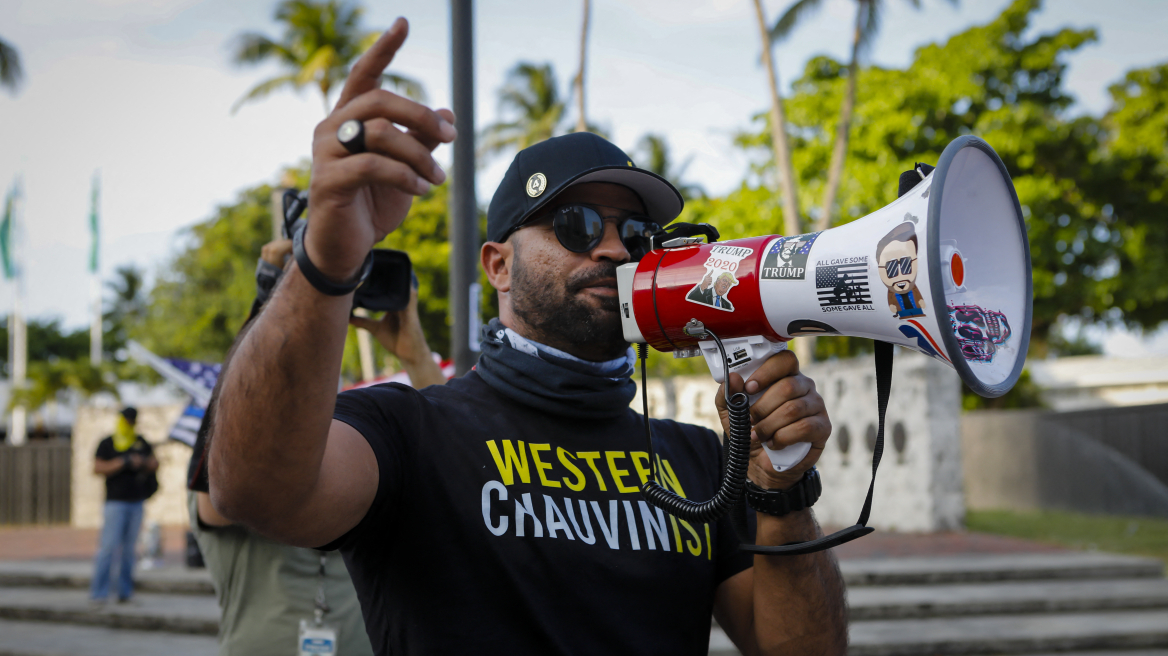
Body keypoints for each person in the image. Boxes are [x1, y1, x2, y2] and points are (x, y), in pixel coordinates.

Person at [210, 19, 845, 655]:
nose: (614, 248)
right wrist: (326, 257)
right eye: (577, 223)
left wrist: (782, 492)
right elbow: (255, 493)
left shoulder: (706, 460)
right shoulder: (409, 431)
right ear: (498, 266)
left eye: (635, 232)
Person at [188, 238, 444, 656]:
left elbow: (451, 459)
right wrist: (269, 305)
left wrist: (415, 357)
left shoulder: (359, 475)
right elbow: (221, 493)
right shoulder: (233, 473)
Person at [91, 406, 157, 604]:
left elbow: (155, 463)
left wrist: (141, 462)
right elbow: (97, 467)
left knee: (130, 550)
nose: (129, 423)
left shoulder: (140, 442)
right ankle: (99, 594)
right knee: (108, 548)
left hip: (136, 502)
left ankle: (124, 593)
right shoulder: (108, 442)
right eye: (127, 419)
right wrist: (122, 462)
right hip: (115, 502)